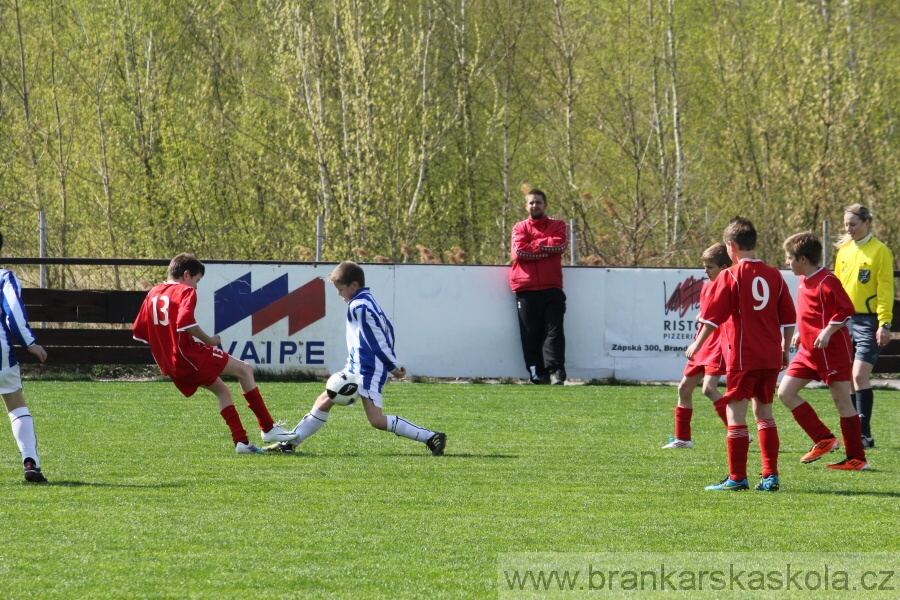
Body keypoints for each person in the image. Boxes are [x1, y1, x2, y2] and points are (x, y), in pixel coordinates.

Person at [264, 261, 446, 455]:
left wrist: (391, 367)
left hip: (368, 370)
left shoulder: (360, 306)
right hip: (358, 366)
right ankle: (290, 443)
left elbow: (377, 340)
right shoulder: (365, 301)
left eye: (340, 289)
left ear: (354, 285)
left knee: (376, 420)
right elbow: (387, 331)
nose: (338, 294)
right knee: (325, 398)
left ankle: (431, 437)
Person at [132, 253, 297, 453]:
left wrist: (167, 349)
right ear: (186, 275)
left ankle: (242, 442)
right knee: (245, 370)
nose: (196, 287)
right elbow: (186, 323)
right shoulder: (185, 291)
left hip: (170, 362)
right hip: (189, 355)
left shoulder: (153, 293)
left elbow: (140, 332)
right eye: (197, 281)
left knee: (222, 391)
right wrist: (210, 341)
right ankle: (268, 428)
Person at [686, 217, 796, 492]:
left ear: (730, 246)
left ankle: (737, 478)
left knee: (736, 414)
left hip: (743, 356)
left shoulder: (729, 275)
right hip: (770, 355)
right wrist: (784, 350)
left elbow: (712, 318)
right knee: (765, 413)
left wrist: (696, 346)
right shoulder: (775, 274)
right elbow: (787, 319)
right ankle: (770, 476)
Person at [778, 232, 867, 470]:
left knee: (842, 403)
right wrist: (801, 331)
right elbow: (813, 313)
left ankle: (856, 459)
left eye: (790, 257)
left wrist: (827, 331)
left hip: (832, 352)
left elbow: (846, 310)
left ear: (803, 259)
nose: (787, 262)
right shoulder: (804, 279)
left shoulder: (827, 281)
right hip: (808, 351)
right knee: (785, 393)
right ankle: (824, 438)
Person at [834, 204, 894, 450]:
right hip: (844, 322)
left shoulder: (880, 251)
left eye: (853, 224)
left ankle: (865, 434)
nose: (849, 229)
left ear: (867, 223)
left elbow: (885, 290)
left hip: (869, 322)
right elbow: (835, 288)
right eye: (846, 225)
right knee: (847, 377)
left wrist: (885, 323)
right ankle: (856, 432)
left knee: (859, 375)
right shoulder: (844, 250)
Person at [663, 243, 732, 449]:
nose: (705, 271)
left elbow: (722, 316)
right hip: (703, 343)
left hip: (718, 343)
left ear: (724, 267)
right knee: (684, 388)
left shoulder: (730, 285)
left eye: (710, 266)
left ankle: (737, 431)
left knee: (709, 389)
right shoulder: (707, 285)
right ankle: (683, 439)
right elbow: (708, 313)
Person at [1, 231, 49, 482]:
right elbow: (14, 314)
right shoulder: (4, 277)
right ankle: (30, 460)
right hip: (1, 356)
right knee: (15, 403)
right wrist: (29, 343)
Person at [509, 189, 569, 385]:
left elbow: (559, 245)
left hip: (552, 288)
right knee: (530, 334)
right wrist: (545, 249)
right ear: (526, 206)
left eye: (538, 202)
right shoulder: (519, 227)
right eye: (531, 203)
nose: (535, 206)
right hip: (525, 288)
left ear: (545, 205)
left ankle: (556, 372)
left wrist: (533, 245)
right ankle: (537, 373)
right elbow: (518, 253)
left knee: (554, 332)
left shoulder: (558, 225)